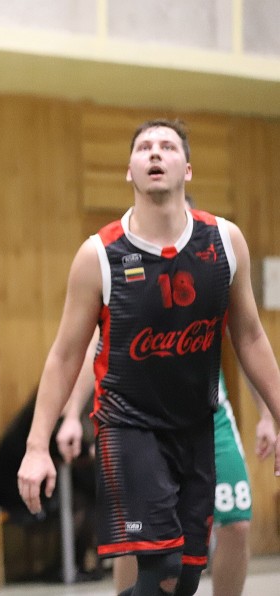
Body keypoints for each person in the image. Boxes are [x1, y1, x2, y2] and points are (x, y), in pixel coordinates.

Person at [16, 119, 280, 596]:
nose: (155, 153)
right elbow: (66, 356)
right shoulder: (99, 255)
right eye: (144, 147)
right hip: (128, 426)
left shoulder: (225, 242)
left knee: (186, 577)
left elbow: (251, 337)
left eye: (167, 146)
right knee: (163, 569)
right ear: (129, 170)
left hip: (197, 426)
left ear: (188, 169)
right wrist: (38, 446)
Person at [57, 327, 277, 595]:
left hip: (207, 415)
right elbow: (92, 344)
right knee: (136, 535)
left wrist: (269, 414)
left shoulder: (220, 295)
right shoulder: (118, 297)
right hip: (141, 419)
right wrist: (71, 415)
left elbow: (249, 336)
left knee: (236, 522)